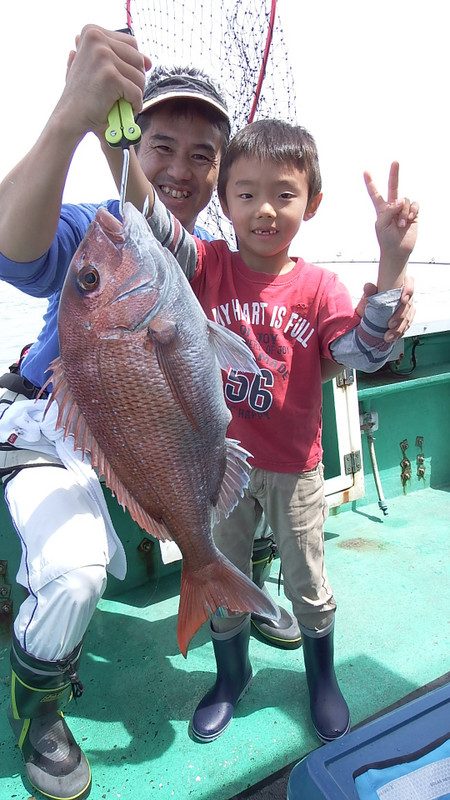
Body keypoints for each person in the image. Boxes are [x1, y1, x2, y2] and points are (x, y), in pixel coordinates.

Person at [0, 25, 415, 800]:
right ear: (137, 147)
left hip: (174, 446)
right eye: (161, 145)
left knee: (250, 492)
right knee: (76, 570)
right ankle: (41, 712)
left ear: (223, 173)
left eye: (203, 154)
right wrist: (76, 121)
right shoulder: (107, 230)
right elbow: (15, 253)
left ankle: (240, 593)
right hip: (53, 433)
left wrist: (386, 287)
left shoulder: (213, 262)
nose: (181, 168)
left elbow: (334, 349)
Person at [109, 116, 419, 745]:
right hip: (216, 468)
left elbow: (363, 351)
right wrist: (111, 142)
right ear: (223, 201)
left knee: (306, 583)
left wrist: (391, 260)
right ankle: (231, 675)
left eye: (284, 193)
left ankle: (321, 678)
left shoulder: (319, 287)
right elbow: (150, 217)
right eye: (245, 194)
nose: (265, 211)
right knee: (218, 572)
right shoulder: (203, 267)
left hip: (295, 470)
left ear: (313, 202)